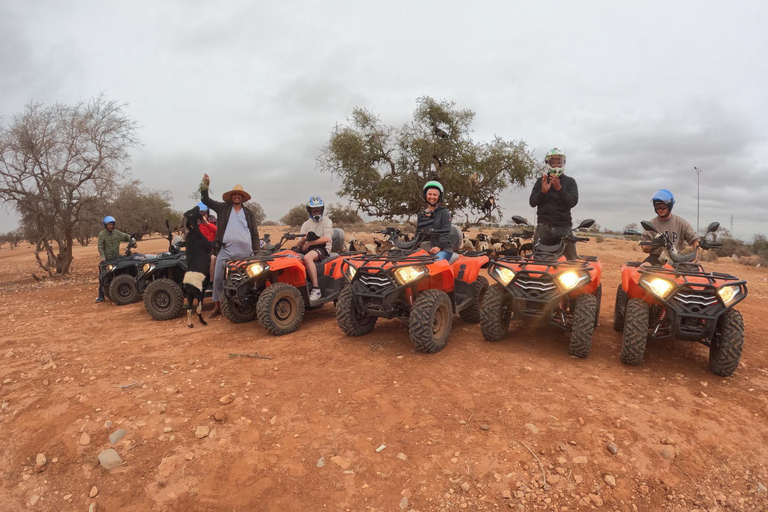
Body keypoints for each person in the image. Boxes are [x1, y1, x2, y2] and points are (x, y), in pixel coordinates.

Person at [200, 174, 260, 318]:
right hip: (226, 250)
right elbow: (205, 200)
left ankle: (249, 307)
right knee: (219, 276)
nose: (237, 196)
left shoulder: (249, 213)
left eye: (239, 195)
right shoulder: (223, 208)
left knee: (249, 279)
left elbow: (254, 234)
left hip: (246, 252)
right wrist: (205, 186)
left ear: (242, 197)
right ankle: (217, 306)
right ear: (232, 196)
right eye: (235, 194)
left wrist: (257, 252)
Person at [529, 148, 579, 259]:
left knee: (571, 262)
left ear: (563, 163)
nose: (556, 165)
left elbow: (572, 201)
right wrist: (543, 192)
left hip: (563, 227)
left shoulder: (570, 182)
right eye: (553, 162)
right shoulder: (541, 181)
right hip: (543, 227)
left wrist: (559, 188)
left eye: (559, 162)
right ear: (547, 164)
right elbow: (532, 202)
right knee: (537, 260)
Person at [641, 189, 700, 265]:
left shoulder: (681, 223)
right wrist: (647, 247)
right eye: (657, 207)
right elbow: (644, 246)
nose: (660, 210)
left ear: (670, 206)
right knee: (644, 267)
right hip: (656, 258)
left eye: (663, 207)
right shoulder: (651, 224)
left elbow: (695, 239)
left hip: (677, 259)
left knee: (695, 272)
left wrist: (696, 257)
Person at [297, 196, 334, 302]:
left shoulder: (327, 221)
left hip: (323, 248)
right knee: (291, 255)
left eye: (318, 209)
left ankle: (316, 289)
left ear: (322, 210)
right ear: (309, 210)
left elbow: (327, 238)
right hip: (310, 246)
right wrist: (303, 241)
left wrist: (309, 244)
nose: (316, 212)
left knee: (308, 258)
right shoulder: (306, 224)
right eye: (314, 210)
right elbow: (299, 243)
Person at [95, 215, 132, 302]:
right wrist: (103, 257)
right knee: (102, 276)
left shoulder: (117, 233)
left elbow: (127, 237)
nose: (110, 226)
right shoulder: (102, 234)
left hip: (116, 258)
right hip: (107, 259)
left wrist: (133, 241)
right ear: (105, 225)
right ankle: (101, 296)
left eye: (111, 224)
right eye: (108, 225)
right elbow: (100, 246)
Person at [416, 181, 453, 261]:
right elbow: (417, 234)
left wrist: (439, 247)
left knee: (435, 264)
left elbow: (446, 232)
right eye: (429, 194)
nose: (432, 197)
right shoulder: (421, 214)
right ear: (425, 196)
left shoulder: (444, 212)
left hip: (442, 249)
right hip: (423, 249)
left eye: (435, 195)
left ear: (439, 197)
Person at [197, 202, 218, 280]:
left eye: (204, 214)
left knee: (213, 258)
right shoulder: (196, 225)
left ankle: (212, 282)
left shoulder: (214, 222)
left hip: (214, 249)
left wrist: (207, 223)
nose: (202, 216)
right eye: (200, 214)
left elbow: (217, 232)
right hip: (202, 250)